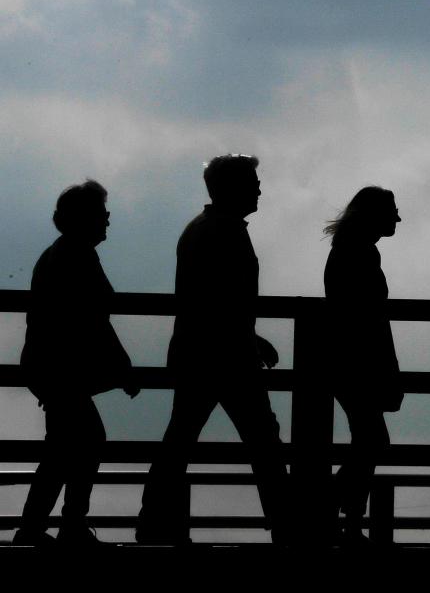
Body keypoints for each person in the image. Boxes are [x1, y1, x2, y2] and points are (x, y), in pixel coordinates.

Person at [136, 154, 290, 545]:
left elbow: (208, 297)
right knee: (263, 442)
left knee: (181, 439)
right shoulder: (227, 231)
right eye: (252, 182)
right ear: (232, 188)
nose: (259, 189)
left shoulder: (202, 229)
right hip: (226, 356)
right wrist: (247, 338)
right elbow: (224, 299)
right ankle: (287, 525)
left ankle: (154, 522)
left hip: (199, 351)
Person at [15, 180, 139, 547]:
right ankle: (59, 525)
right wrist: (122, 365)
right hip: (61, 370)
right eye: (103, 214)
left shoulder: (62, 251)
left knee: (65, 445)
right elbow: (95, 317)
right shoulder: (78, 254)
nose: (108, 221)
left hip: (49, 367)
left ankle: (40, 526)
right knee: (82, 441)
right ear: (85, 218)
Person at [323, 186, 404, 545]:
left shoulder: (351, 248)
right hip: (358, 361)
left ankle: (344, 518)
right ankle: (336, 513)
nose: (397, 218)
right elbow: (368, 318)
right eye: (392, 212)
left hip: (348, 360)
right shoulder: (360, 252)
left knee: (368, 440)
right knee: (371, 441)